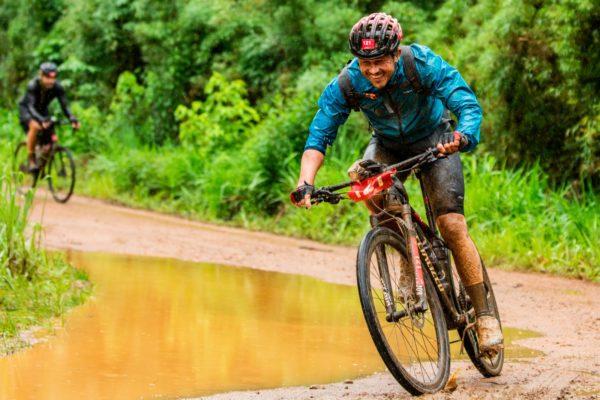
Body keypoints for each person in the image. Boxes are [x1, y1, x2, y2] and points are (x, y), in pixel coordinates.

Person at [290, 12, 503, 355]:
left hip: (436, 140)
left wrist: (463, 135)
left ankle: (485, 315)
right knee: (365, 179)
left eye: (380, 62)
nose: (373, 71)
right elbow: (319, 135)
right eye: (365, 63)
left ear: (395, 54)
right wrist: (305, 182)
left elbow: (465, 101)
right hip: (387, 145)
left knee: (451, 226)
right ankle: (406, 247)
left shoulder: (421, 64)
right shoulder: (347, 83)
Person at [18, 62, 80, 172]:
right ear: (41, 75)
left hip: (42, 111)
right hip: (27, 109)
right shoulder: (33, 85)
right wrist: (41, 120)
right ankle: (31, 159)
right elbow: (31, 107)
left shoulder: (57, 87)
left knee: (48, 143)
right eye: (47, 78)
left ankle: (40, 167)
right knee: (35, 126)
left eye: (53, 78)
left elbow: (65, 105)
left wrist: (72, 118)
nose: (50, 81)